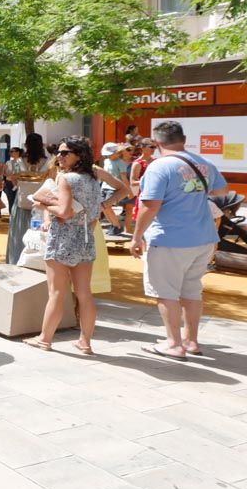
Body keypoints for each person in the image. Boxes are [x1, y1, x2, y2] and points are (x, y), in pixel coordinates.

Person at [131, 120, 229, 360]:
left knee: (166, 292)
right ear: (183, 140)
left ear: (156, 143)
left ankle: (173, 343)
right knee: (192, 291)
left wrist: (136, 236)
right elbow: (222, 190)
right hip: (203, 237)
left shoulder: (158, 167)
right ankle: (191, 341)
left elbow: (150, 205)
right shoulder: (203, 162)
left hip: (169, 238)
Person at [23, 137, 128, 354]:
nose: (59, 157)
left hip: (62, 239)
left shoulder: (66, 178)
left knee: (56, 293)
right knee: (84, 293)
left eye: (65, 153)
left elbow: (63, 212)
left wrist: (41, 204)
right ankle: (85, 342)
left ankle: (45, 339)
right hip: (86, 238)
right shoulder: (95, 175)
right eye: (59, 153)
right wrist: (103, 206)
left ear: (78, 154)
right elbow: (124, 189)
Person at [6, 134, 52, 266]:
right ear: (41, 145)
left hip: (21, 201)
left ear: (26, 145)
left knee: (18, 233)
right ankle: (36, 262)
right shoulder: (48, 162)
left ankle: (16, 260)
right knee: (39, 233)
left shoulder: (19, 162)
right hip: (41, 202)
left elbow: (11, 177)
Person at [101, 143, 134, 236]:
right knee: (103, 207)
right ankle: (114, 225)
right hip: (104, 187)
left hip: (114, 188)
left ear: (117, 152)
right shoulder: (106, 161)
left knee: (107, 206)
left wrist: (129, 191)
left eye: (111, 154)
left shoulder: (120, 163)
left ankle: (117, 226)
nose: (109, 156)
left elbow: (124, 178)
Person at [2, 147, 23, 214]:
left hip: (19, 184)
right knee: (11, 201)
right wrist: (8, 176)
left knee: (19, 201)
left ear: (17, 152)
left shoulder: (23, 162)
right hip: (9, 184)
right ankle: (11, 216)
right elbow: (3, 173)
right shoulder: (8, 162)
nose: (10, 153)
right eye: (10, 151)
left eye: (12, 151)